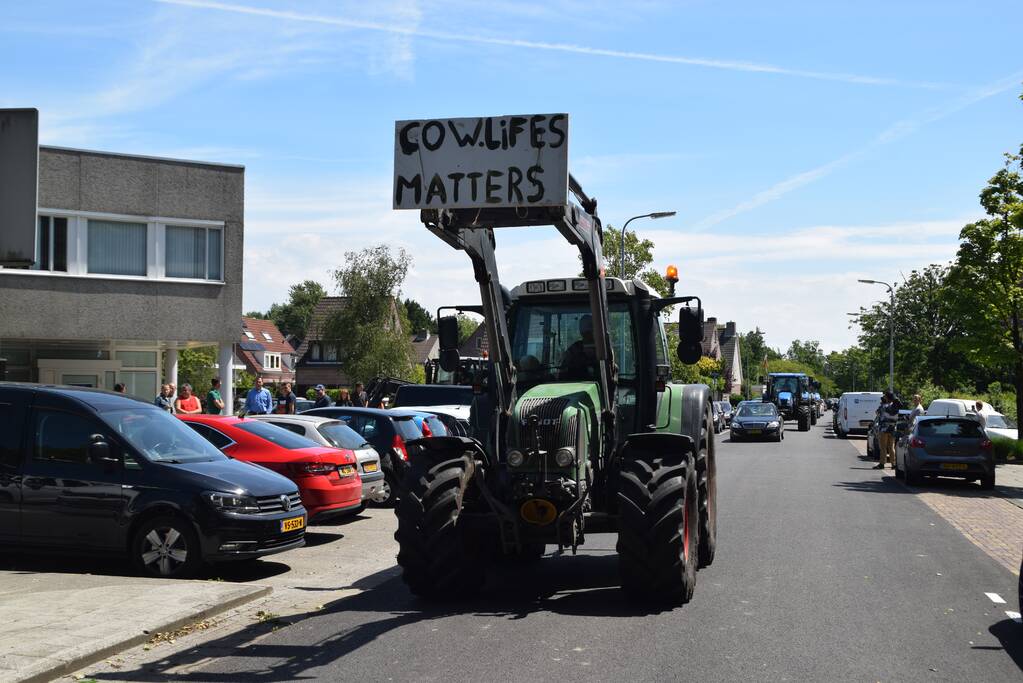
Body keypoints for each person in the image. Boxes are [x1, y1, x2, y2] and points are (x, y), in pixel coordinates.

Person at [560, 314, 596, 380]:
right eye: (586, 332)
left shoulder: (602, 348)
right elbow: (563, 372)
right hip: (574, 385)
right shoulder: (574, 349)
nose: (588, 335)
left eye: (589, 331)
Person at [873, 390, 900, 470]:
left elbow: (877, 413)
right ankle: (893, 464)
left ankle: (882, 463)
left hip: (884, 429)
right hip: (893, 428)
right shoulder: (895, 406)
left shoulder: (883, 406)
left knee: (883, 447)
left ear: (887, 397)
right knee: (891, 447)